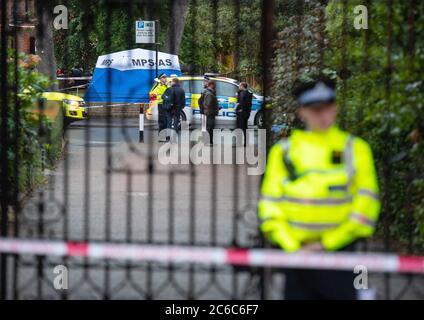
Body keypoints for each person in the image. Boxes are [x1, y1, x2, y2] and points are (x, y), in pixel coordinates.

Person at [258, 76, 381, 300]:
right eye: (315, 109)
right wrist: (291, 244)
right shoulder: (284, 151)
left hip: (341, 254)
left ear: (335, 108)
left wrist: (327, 243)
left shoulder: (356, 149)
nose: (322, 115)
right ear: (302, 112)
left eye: (327, 108)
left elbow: (366, 204)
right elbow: (270, 204)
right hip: (296, 256)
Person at [162, 77, 186, 142]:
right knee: (176, 123)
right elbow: (183, 101)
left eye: (171, 81)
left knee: (169, 122)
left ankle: (168, 137)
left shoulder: (169, 89)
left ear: (173, 82)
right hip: (177, 109)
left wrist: (167, 100)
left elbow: (163, 96)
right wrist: (181, 107)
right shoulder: (182, 90)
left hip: (169, 108)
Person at [150, 73, 169, 139]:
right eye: (163, 77)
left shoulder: (167, 86)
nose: (165, 78)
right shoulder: (157, 85)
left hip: (167, 105)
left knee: (167, 121)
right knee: (162, 121)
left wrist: (167, 86)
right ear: (160, 79)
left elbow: (171, 93)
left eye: (165, 77)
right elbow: (151, 93)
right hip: (160, 105)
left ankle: (167, 136)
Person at [202, 80, 219, 145]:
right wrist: (214, 108)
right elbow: (208, 104)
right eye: (214, 85)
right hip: (210, 112)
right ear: (211, 85)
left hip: (210, 112)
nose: (215, 86)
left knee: (210, 127)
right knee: (209, 127)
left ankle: (210, 141)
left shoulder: (210, 92)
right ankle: (208, 142)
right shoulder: (209, 93)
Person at [236, 82, 253, 146]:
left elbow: (242, 103)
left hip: (241, 114)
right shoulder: (247, 93)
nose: (239, 87)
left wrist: (241, 110)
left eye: (239, 86)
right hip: (246, 113)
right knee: (245, 127)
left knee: (240, 127)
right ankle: (245, 142)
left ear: (242, 86)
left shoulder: (243, 94)